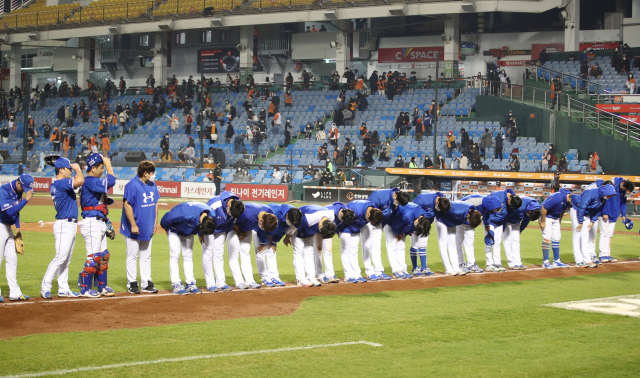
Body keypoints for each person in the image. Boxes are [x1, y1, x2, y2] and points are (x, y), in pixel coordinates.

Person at [41, 158, 84, 299]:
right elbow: (79, 181)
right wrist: (78, 169)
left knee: (66, 259)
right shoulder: (60, 183)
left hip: (69, 224)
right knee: (60, 258)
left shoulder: (59, 184)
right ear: (61, 170)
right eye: (68, 169)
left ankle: (63, 288)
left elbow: (76, 184)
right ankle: (45, 287)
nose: (70, 170)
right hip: (63, 224)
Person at [78, 154, 116, 298]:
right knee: (93, 258)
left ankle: (102, 287)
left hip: (99, 222)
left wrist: (106, 221)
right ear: (92, 168)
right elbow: (111, 181)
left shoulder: (93, 181)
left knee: (103, 256)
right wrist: (108, 164)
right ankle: (85, 289)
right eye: (101, 168)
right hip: (91, 223)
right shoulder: (89, 181)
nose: (102, 171)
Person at [160, 202, 217, 295]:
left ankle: (190, 283)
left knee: (188, 255)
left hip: (188, 231)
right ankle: (176, 284)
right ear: (201, 223)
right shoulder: (185, 214)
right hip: (174, 228)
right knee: (175, 255)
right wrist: (167, 230)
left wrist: (201, 234)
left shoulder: (210, 215)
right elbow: (165, 219)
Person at [122, 161, 160, 294]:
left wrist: (155, 223)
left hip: (148, 226)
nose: (153, 175)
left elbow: (155, 203)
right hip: (134, 227)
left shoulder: (152, 185)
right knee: (132, 255)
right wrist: (133, 225)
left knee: (146, 255)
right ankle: (132, 283)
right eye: (152, 173)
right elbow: (127, 205)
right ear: (145, 173)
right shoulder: (132, 185)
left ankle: (146, 282)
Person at [228, 203, 278, 290]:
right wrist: (239, 232)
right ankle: (239, 282)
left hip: (247, 228)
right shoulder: (246, 214)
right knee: (234, 254)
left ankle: (250, 280)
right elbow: (231, 220)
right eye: (262, 226)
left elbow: (261, 229)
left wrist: (263, 243)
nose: (262, 228)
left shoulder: (269, 212)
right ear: (261, 220)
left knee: (245, 253)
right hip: (233, 228)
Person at [0, 174, 34, 301]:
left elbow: (16, 211)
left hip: (8, 228)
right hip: (0, 226)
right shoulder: (3, 190)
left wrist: (18, 227)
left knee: (12, 259)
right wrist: (26, 200)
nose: (24, 191)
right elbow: (8, 211)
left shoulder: (18, 191)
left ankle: (14, 292)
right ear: (18, 183)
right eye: (24, 188)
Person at [284, 205, 337, 287]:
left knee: (309, 252)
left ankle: (311, 277)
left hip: (310, 230)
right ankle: (300, 279)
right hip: (297, 231)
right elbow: (293, 227)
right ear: (321, 226)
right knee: (299, 253)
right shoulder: (307, 219)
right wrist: (287, 237)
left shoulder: (331, 217)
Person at [364, 188, 410, 280]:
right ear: (395, 195)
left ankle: (379, 271)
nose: (397, 204)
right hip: (368, 221)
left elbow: (391, 215)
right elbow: (369, 210)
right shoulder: (379, 196)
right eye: (398, 202)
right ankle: (369, 271)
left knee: (377, 247)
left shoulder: (396, 201)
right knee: (367, 246)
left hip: (379, 224)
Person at [570, 184, 616, 267]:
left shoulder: (603, 199)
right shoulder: (591, 193)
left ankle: (587, 260)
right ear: (605, 191)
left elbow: (598, 210)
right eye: (609, 194)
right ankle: (579, 261)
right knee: (577, 236)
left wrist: (592, 221)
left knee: (585, 237)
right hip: (577, 210)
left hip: (587, 214)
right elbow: (582, 207)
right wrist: (580, 222)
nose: (609, 197)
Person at [459, 194, 507, 272]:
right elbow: (460, 210)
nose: (494, 211)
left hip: (470, 220)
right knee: (459, 242)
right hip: (460, 218)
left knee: (470, 242)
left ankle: (471, 264)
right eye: (494, 209)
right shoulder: (475, 203)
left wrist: (488, 229)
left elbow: (487, 215)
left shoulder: (487, 204)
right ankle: (460, 264)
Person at [434, 200, 484, 276]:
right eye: (469, 221)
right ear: (469, 216)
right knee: (443, 243)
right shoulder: (457, 211)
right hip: (441, 219)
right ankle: (449, 269)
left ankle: (456, 268)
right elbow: (441, 209)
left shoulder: (470, 211)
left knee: (452, 244)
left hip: (452, 221)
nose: (468, 223)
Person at [386, 202, 430, 279]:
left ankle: (403, 269)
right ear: (416, 221)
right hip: (391, 222)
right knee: (392, 246)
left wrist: (403, 233)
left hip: (403, 223)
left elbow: (412, 228)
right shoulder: (407, 215)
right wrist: (398, 236)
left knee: (401, 246)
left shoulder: (423, 217)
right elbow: (395, 226)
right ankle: (396, 270)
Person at [412, 193, 451, 276]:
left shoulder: (442, 201)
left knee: (423, 244)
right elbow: (413, 210)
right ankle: (415, 268)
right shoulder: (422, 199)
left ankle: (424, 267)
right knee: (414, 244)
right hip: (416, 222)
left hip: (426, 224)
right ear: (437, 203)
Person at [503, 197, 541, 270]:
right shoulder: (520, 207)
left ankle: (518, 262)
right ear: (529, 211)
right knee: (508, 241)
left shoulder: (534, 209)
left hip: (516, 222)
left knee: (516, 241)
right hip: (507, 220)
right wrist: (503, 227)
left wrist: (520, 230)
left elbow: (526, 220)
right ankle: (511, 263)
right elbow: (506, 215)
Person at [539, 188, 572, 269]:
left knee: (557, 238)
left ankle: (556, 260)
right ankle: (545, 261)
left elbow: (563, 210)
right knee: (547, 237)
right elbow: (543, 207)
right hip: (546, 217)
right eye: (571, 202)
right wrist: (543, 221)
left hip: (556, 218)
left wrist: (559, 221)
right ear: (570, 198)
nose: (571, 204)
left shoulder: (568, 199)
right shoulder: (557, 197)